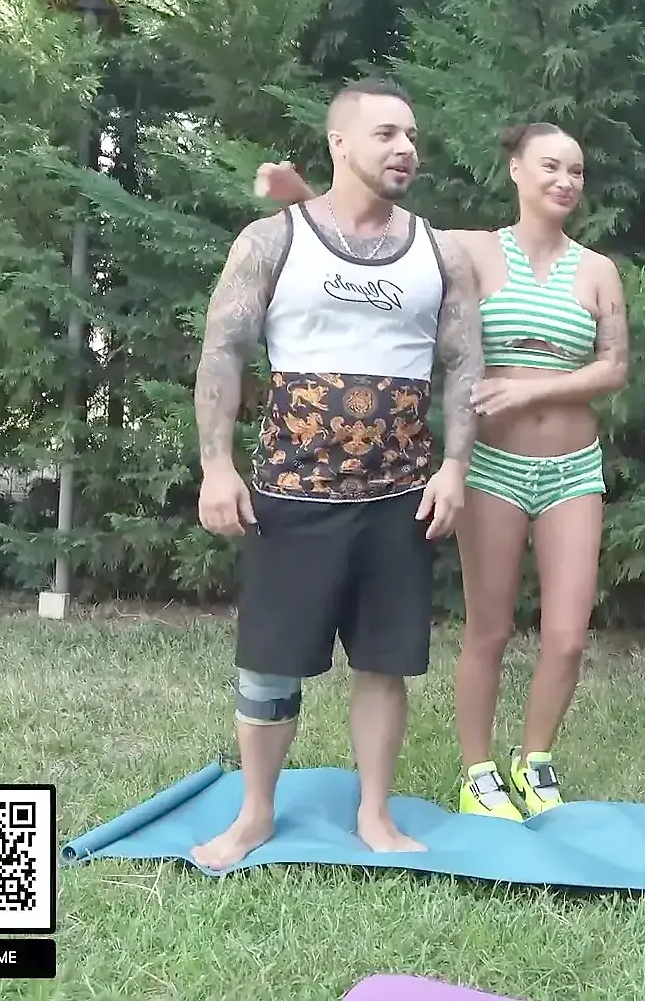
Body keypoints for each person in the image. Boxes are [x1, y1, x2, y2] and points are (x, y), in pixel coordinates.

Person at [253, 120, 630, 822]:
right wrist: (300, 197)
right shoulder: (470, 251)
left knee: (567, 636)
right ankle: (478, 770)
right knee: (489, 629)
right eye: (550, 166)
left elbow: (613, 367)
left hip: (574, 470)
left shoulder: (597, 270)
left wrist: (534, 391)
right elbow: (377, 243)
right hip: (492, 467)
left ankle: (536, 761)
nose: (565, 181)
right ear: (516, 170)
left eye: (576, 171)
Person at [191, 77, 484, 869]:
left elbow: (465, 365)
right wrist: (217, 466)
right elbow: (223, 351)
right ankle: (255, 814)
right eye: (387, 133)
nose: (406, 148)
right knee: (268, 662)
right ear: (340, 142)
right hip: (289, 493)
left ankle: (375, 814)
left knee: (385, 664)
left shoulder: (440, 252)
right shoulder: (272, 240)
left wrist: (455, 467)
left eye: (413, 135)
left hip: (401, 496)